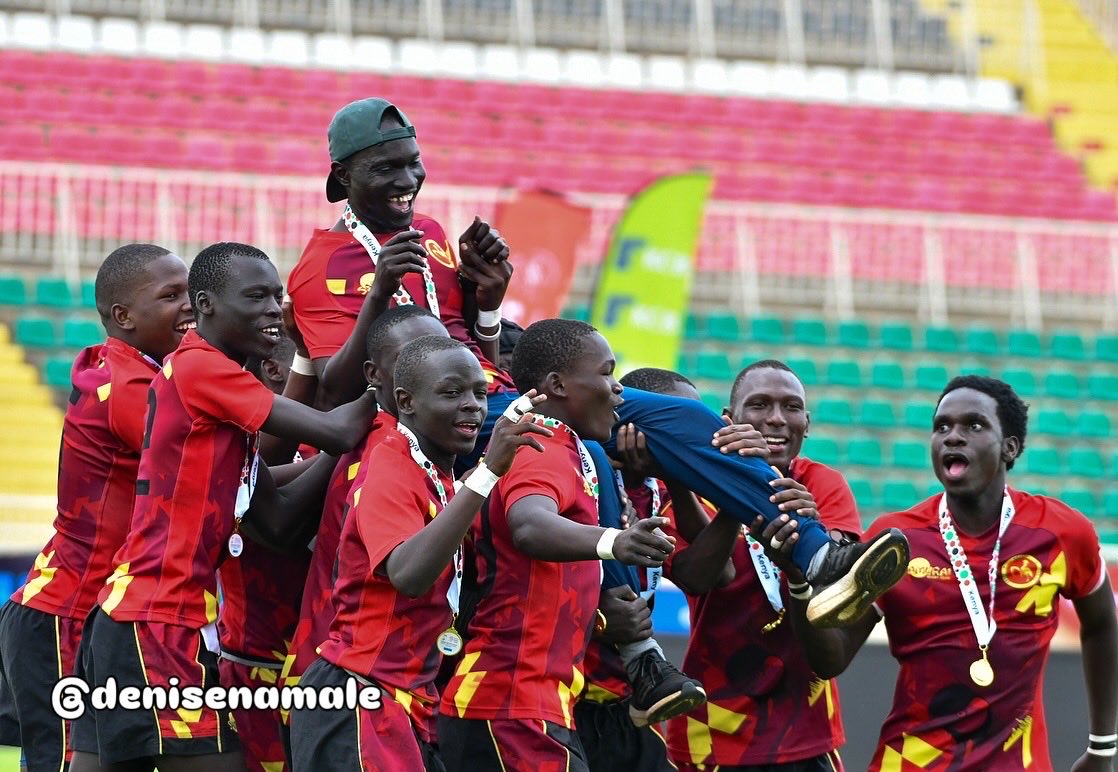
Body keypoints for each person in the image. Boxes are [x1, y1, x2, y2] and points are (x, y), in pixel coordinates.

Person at [68, 242, 376, 771]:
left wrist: (347, 449)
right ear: (205, 305)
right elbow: (339, 428)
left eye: (277, 296)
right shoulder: (201, 369)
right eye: (255, 296)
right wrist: (396, 378)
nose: (272, 310)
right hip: (155, 621)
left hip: (133, 618)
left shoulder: (218, 397)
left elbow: (274, 519)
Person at [752, 375, 1118, 770]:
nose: (952, 437)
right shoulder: (896, 540)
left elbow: (1101, 623)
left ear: (1010, 447)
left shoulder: (1060, 532)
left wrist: (1103, 746)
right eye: (941, 427)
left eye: (973, 426)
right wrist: (797, 578)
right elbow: (832, 659)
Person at [290, 335, 551, 771]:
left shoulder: (439, 474)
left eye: (480, 393)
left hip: (406, 698)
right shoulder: (389, 463)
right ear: (406, 401)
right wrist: (488, 474)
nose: (472, 405)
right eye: (452, 393)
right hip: (358, 696)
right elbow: (409, 575)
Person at [438, 319, 685, 772]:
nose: (617, 391)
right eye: (607, 373)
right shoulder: (542, 442)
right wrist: (615, 541)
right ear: (557, 384)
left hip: (529, 704)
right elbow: (529, 525)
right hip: (508, 702)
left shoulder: (570, 449)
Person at [0, 244, 192, 772]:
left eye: (189, 291)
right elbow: (207, 464)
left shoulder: (123, 368)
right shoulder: (128, 387)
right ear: (123, 316)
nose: (190, 306)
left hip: (94, 613)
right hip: (68, 612)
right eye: (171, 295)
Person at [666, 361, 859, 771]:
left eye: (791, 407)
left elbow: (839, 578)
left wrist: (815, 533)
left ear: (806, 423)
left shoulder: (823, 484)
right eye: (759, 404)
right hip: (714, 736)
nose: (776, 418)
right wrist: (740, 491)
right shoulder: (693, 487)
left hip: (807, 733)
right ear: (728, 420)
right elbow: (695, 579)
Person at [286, 97, 518, 425]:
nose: (409, 180)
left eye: (413, 162)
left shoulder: (429, 230)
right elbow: (336, 392)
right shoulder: (320, 266)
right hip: (421, 420)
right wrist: (379, 294)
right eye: (386, 168)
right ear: (343, 176)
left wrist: (486, 300)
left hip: (489, 396)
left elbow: (467, 343)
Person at [281, 305, 450, 693]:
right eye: (412, 357)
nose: (435, 365)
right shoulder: (379, 447)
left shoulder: (425, 444)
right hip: (351, 676)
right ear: (374, 375)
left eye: (442, 348)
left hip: (397, 678)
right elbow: (407, 574)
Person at [216, 333, 314, 772]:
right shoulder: (236, 439)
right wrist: (350, 453)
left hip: (324, 671)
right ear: (276, 369)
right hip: (253, 673)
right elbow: (277, 528)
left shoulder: (321, 439)